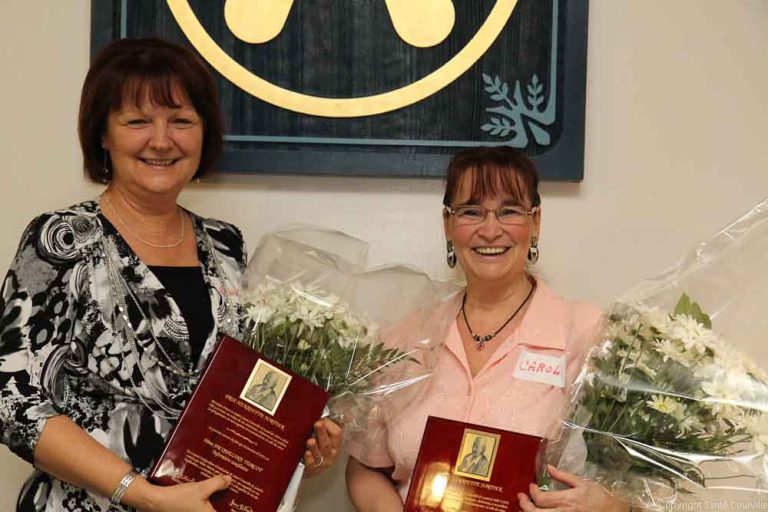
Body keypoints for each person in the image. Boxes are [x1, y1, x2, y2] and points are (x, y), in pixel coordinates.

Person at [0, 37, 340, 512]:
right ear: (103, 134)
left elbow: (240, 396)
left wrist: (298, 442)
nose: (161, 140)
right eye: (137, 121)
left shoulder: (227, 246)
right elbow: (14, 403)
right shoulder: (60, 240)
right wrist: (143, 496)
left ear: (205, 133)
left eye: (181, 120)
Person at [345, 146, 627, 511]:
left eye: (509, 210)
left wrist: (612, 505)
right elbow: (366, 465)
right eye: (471, 211)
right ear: (448, 223)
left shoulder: (588, 334)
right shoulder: (406, 336)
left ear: (535, 221)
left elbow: (634, 476)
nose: (490, 230)